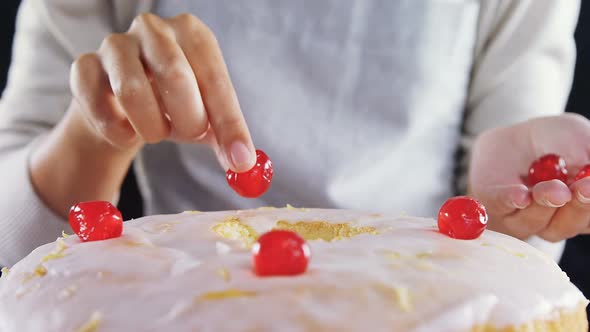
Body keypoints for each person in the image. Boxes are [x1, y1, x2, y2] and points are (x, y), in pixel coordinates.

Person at [0, 0, 585, 267]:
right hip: (179, 304)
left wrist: (511, 212)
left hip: (422, 305)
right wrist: (100, 127)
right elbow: (11, 244)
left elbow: (509, 253)